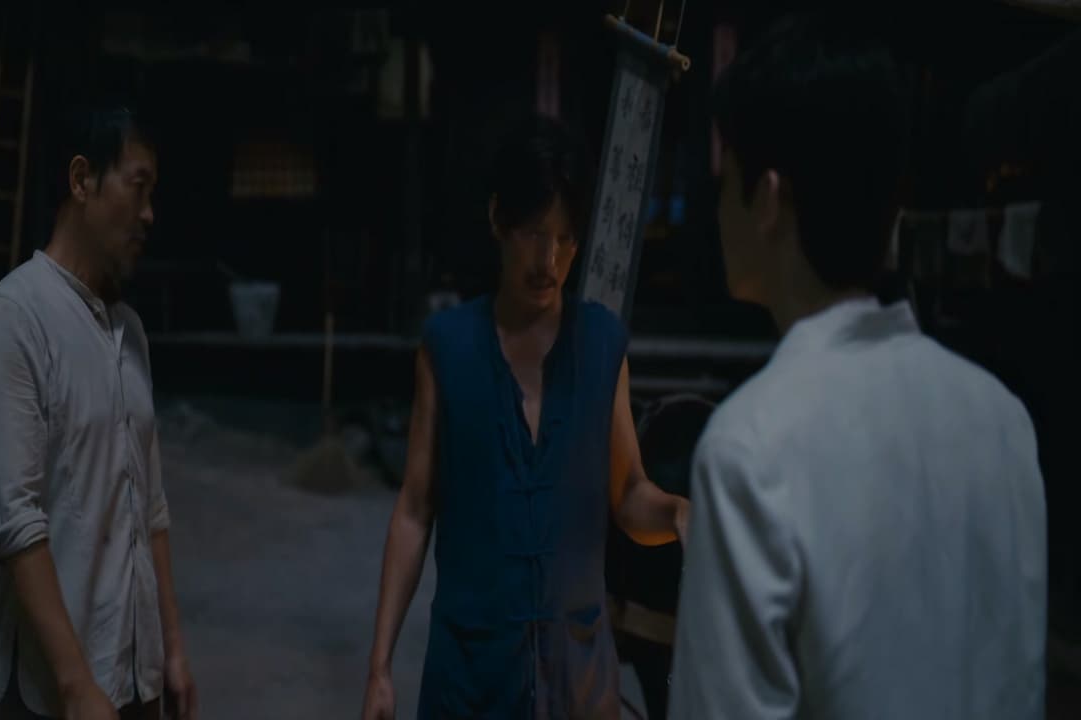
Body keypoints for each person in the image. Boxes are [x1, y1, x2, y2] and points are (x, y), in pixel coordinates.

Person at [668, 11, 1047, 720]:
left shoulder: (751, 448)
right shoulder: (1003, 420)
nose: (718, 207)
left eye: (728, 178)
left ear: (768, 198)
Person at [360, 114, 690, 719]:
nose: (549, 259)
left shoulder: (601, 344)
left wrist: (675, 512)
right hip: (471, 676)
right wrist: (380, 666)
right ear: (498, 220)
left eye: (566, 239)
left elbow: (628, 495)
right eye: (535, 234)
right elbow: (414, 509)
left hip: (577, 680)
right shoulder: (449, 346)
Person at [0, 104, 198, 720]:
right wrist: (75, 687)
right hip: (52, 693)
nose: (149, 214)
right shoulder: (13, 319)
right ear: (81, 179)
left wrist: (171, 650)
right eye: (138, 187)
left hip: (133, 679)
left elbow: (151, 508)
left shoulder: (129, 331)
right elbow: (16, 522)